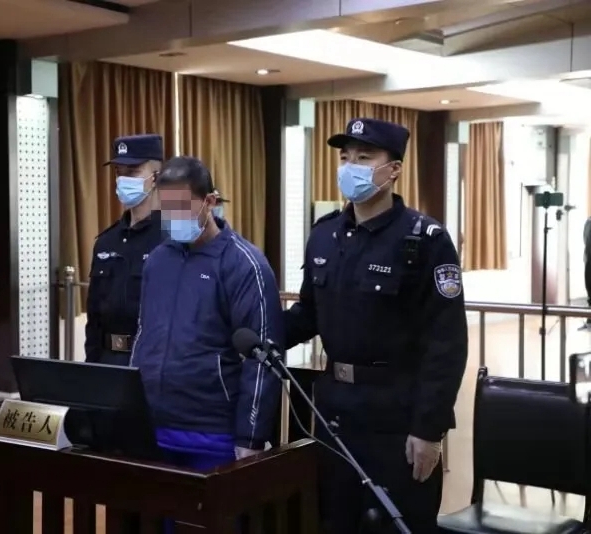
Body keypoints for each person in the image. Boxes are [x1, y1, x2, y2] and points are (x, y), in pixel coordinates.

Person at [284, 118, 468, 533]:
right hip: (335, 412)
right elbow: (308, 314)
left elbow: (447, 343)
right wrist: (258, 334)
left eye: (364, 157)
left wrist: (429, 429)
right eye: (345, 157)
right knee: (335, 521)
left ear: (394, 169)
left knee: (395, 524)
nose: (351, 167)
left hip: (396, 416)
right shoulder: (324, 235)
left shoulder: (425, 239)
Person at [130, 155, 284, 471]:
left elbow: (262, 360)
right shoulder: (157, 261)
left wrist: (250, 437)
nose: (173, 217)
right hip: (153, 426)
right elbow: (144, 334)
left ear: (210, 202)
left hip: (213, 433)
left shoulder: (244, 265)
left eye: (182, 207)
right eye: (166, 209)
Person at [84, 134, 167, 366]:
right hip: (109, 361)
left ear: (155, 178)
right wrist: (92, 366)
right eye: (119, 172)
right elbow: (94, 318)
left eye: (132, 172)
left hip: (152, 362)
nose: (123, 180)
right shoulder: (106, 242)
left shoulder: (170, 240)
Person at [581, 216, 591, 331]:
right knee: (589, 288)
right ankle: (589, 320)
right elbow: (585, 239)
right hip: (589, 260)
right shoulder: (588, 222)